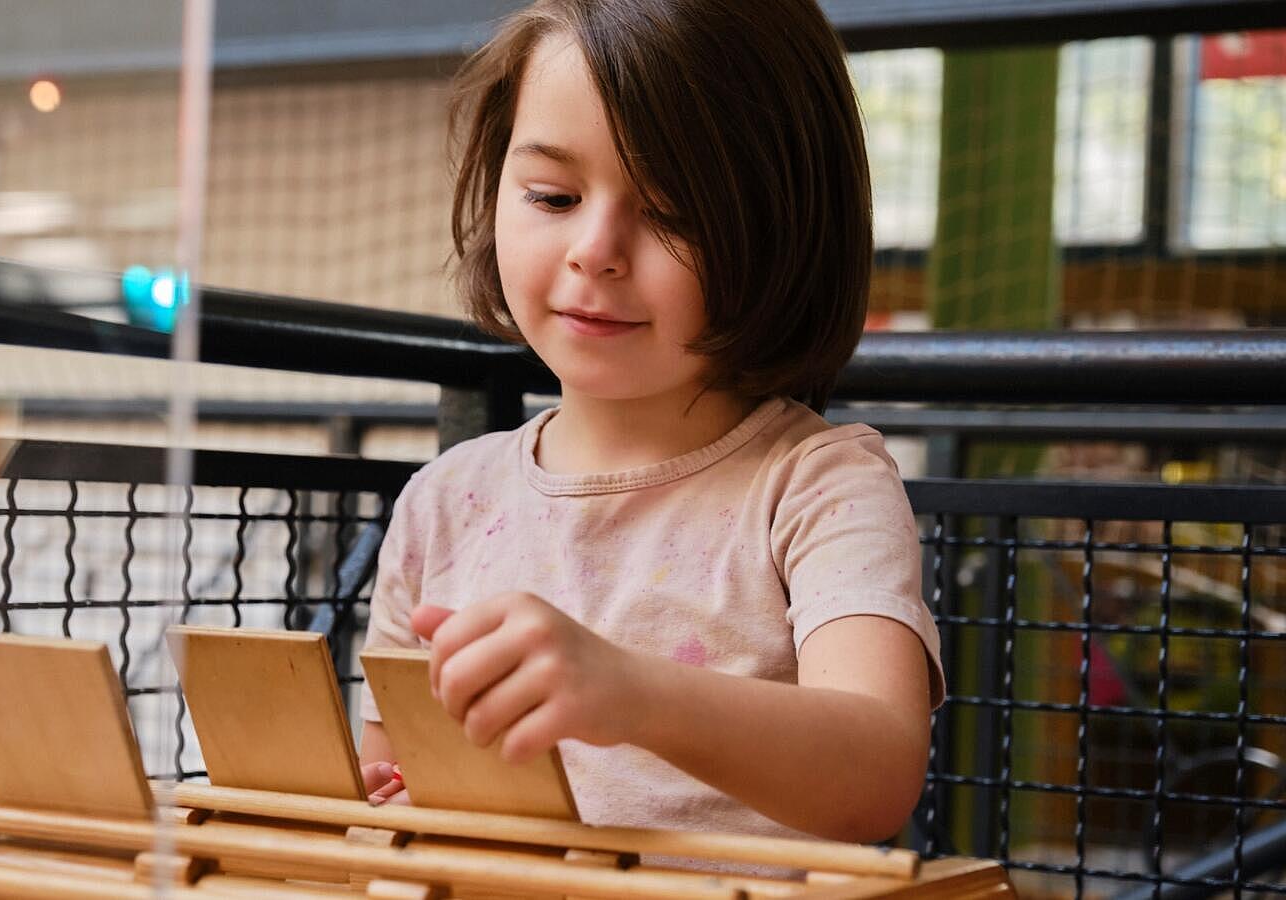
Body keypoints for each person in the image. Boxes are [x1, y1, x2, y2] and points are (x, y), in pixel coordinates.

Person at [356, 0, 946, 852]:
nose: (596, 249)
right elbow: (388, 784)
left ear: (784, 229)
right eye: (553, 195)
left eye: (671, 211)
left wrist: (630, 693)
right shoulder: (445, 500)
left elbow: (878, 770)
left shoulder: (817, 484)